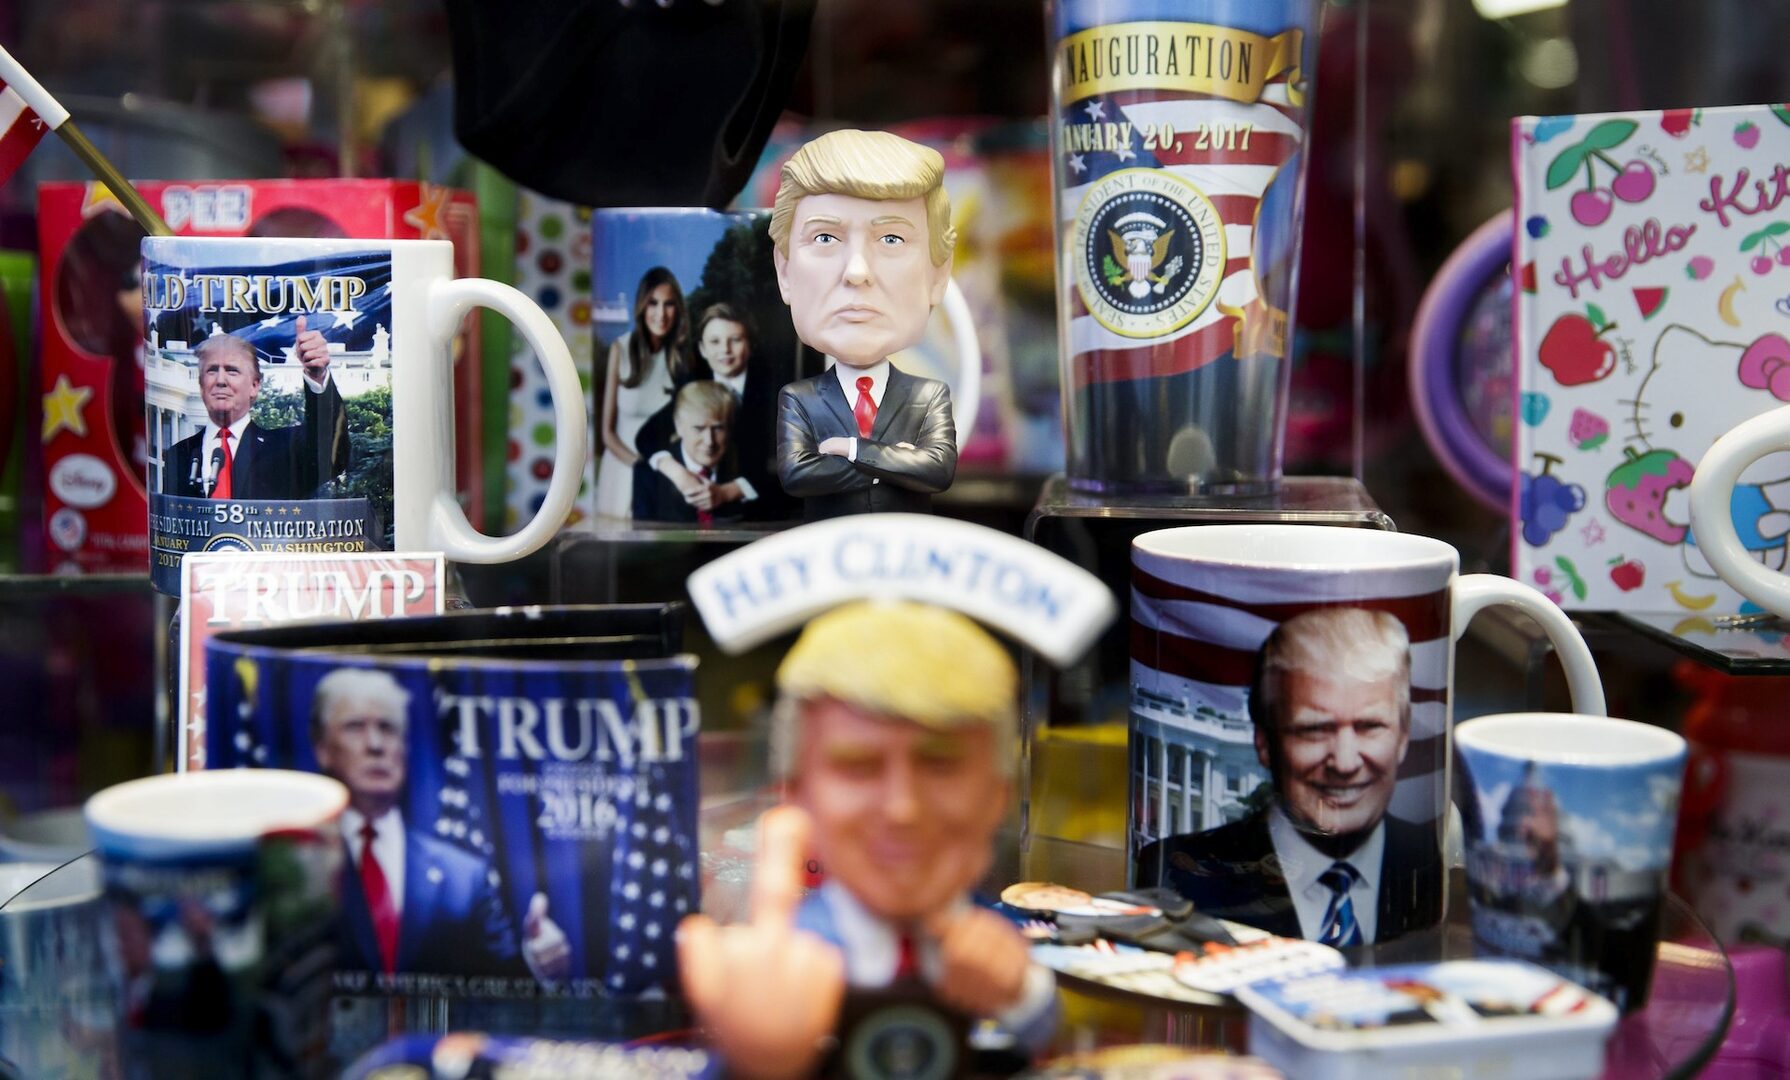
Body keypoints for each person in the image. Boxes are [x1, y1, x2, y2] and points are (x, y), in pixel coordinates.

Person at [678, 602, 1056, 1079]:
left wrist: (1021, 996)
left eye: (939, 764)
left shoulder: (1002, 939)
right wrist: (755, 1062)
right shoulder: (788, 955)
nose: (902, 809)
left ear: (998, 793)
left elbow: (1053, 1037)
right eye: (859, 767)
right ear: (798, 795)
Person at [1136, 607, 1443, 945]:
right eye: (1314, 729)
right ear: (1264, 743)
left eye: (1370, 726)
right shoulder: (1176, 876)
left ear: (1403, 735)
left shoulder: (1432, 857)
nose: (1344, 763)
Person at [309, 668, 571, 983]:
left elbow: (501, 984)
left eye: (388, 728)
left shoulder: (464, 876)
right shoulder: (297, 862)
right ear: (323, 749)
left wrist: (536, 964)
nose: (376, 744)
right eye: (355, 727)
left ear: (405, 749)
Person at [771, 129, 959, 520]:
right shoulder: (799, 400)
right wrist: (895, 465)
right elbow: (798, 475)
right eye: (825, 237)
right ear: (785, 271)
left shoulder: (929, 396)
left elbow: (937, 471)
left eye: (891, 239)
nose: (857, 271)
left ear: (938, 273)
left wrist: (854, 451)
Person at [158, 323, 351, 499]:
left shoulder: (285, 450)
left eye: (232, 370)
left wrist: (317, 376)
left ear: (254, 386)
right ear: (201, 385)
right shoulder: (179, 455)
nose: (220, 380)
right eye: (212, 370)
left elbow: (332, 454)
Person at [637, 302, 789, 520]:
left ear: (750, 345)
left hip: (762, 508)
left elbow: (783, 464)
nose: (725, 350)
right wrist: (678, 474)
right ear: (702, 349)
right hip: (702, 507)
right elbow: (647, 436)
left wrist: (728, 492)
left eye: (735, 340)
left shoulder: (776, 388)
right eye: (715, 341)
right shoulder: (693, 384)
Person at [593, 267, 693, 520]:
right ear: (642, 306)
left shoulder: (682, 358)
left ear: (678, 309)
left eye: (669, 304)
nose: (661, 314)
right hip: (622, 469)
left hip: (662, 476)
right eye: (653, 303)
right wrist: (641, 466)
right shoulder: (621, 349)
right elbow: (607, 433)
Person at [632, 381, 751, 525]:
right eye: (699, 429)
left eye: (718, 428)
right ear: (678, 426)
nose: (709, 441)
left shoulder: (747, 468)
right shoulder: (647, 474)